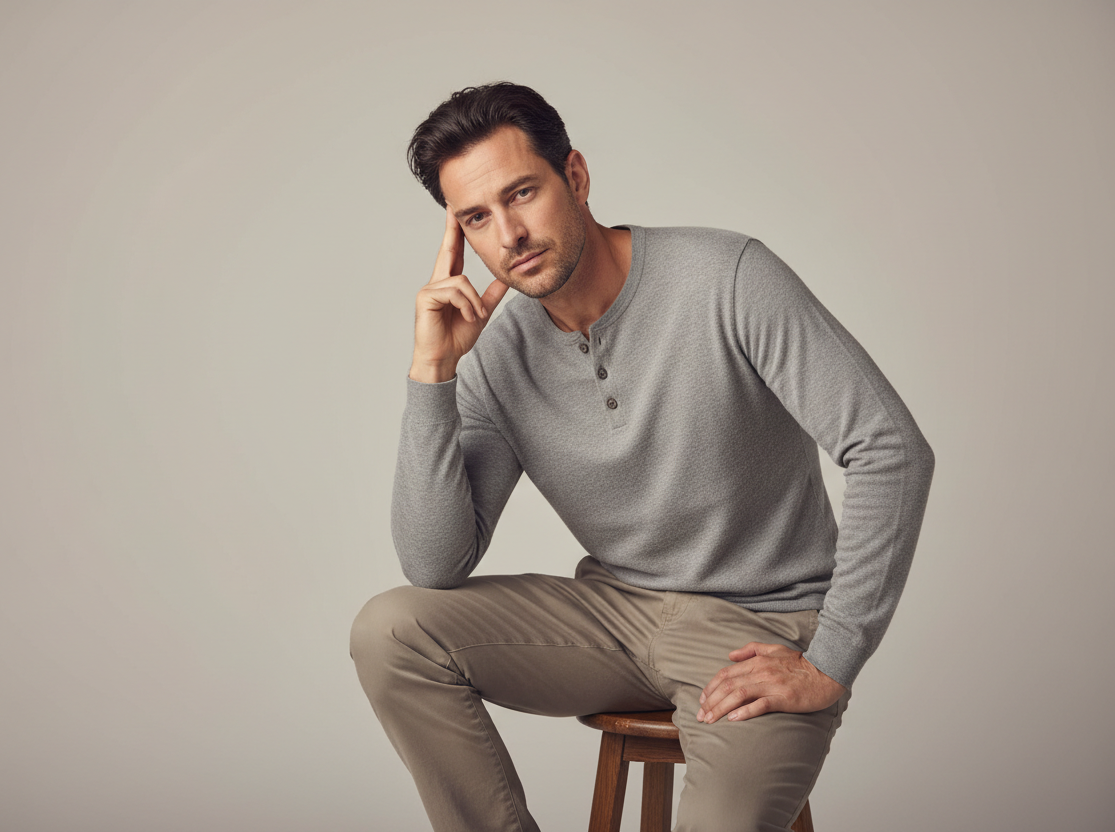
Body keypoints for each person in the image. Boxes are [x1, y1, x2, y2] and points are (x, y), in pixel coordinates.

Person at [350, 82, 934, 832]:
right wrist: (432, 375)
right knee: (390, 631)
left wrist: (832, 659)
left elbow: (891, 449)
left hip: (760, 628)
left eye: (521, 193)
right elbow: (436, 564)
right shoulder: (497, 353)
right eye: (476, 218)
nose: (508, 235)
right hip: (617, 618)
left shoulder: (727, 277)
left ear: (577, 178)